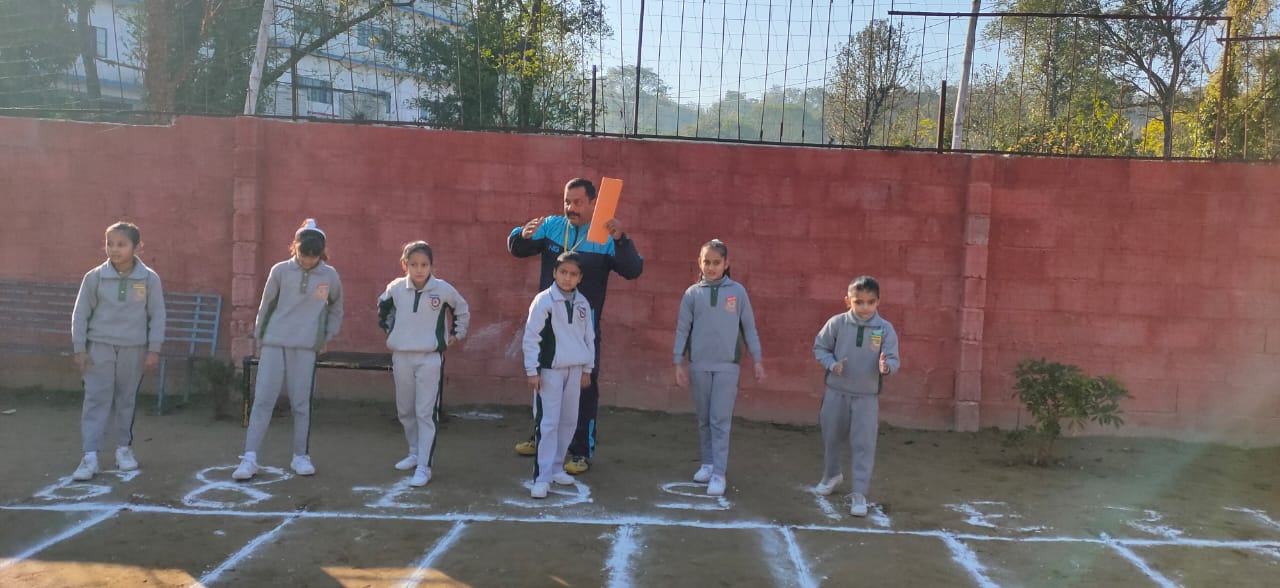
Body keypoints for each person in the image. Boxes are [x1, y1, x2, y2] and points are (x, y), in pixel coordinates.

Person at [507, 178, 643, 474]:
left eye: (578, 202)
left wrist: (621, 239)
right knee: (544, 384)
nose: (570, 207)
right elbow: (517, 249)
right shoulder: (553, 226)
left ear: (594, 203)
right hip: (549, 329)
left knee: (584, 388)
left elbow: (633, 270)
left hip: (583, 329)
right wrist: (520, 234)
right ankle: (541, 437)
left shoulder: (605, 235)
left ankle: (581, 450)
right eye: (567, 201)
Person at [234, 219, 344, 481]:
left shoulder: (329, 276)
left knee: (301, 403)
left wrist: (327, 335)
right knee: (263, 400)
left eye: (313, 256)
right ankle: (249, 458)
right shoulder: (280, 271)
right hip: (274, 342)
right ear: (295, 248)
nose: (307, 261)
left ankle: (300, 456)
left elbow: (335, 307)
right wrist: (260, 337)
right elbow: (266, 305)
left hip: (306, 346)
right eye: (303, 255)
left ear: (322, 253)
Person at [70, 222, 166, 481]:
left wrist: (153, 350)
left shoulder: (149, 279)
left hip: (133, 348)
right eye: (110, 243)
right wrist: (80, 348)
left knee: (126, 399)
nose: (114, 249)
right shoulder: (94, 277)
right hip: (99, 347)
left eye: (121, 244)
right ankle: (89, 456)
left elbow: (157, 315)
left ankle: (123, 449)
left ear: (137, 247)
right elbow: (80, 315)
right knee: (95, 399)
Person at [672, 239, 764, 496]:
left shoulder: (737, 292)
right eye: (706, 262)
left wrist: (757, 359)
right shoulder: (692, 294)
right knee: (704, 419)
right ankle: (708, 463)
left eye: (716, 263)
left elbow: (749, 328)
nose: (711, 268)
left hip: (727, 366)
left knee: (720, 420)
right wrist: (678, 360)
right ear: (699, 263)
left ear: (726, 264)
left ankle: (719, 474)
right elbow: (683, 329)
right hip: (699, 365)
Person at [377, 241, 470, 488]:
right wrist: (392, 331)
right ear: (404, 265)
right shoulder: (395, 288)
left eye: (424, 265)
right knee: (405, 410)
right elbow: (382, 309)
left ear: (432, 266)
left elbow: (462, 310)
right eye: (413, 264)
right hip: (401, 356)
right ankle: (414, 451)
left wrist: (457, 334)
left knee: (424, 412)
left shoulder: (443, 290)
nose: (419, 270)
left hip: (430, 358)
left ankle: (424, 466)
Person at [812, 275, 900, 517]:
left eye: (870, 302)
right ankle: (831, 475)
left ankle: (859, 492)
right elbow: (820, 347)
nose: (864, 307)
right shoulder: (837, 323)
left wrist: (886, 367)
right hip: (836, 392)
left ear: (878, 302)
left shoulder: (885, 329)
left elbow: (893, 359)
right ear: (847, 301)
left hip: (866, 398)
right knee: (831, 437)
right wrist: (831, 364)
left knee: (863, 444)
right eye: (858, 302)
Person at [522, 252, 595, 498]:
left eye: (573, 274)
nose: (567, 278)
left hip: (575, 370)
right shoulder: (544, 301)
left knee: (568, 421)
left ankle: (556, 467)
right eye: (563, 272)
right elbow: (532, 336)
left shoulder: (583, 303)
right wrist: (532, 370)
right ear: (554, 273)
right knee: (548, 423)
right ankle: (541, 477)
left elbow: (589, 339)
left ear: (580, 278)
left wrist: (587, 369)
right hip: (549, 371)